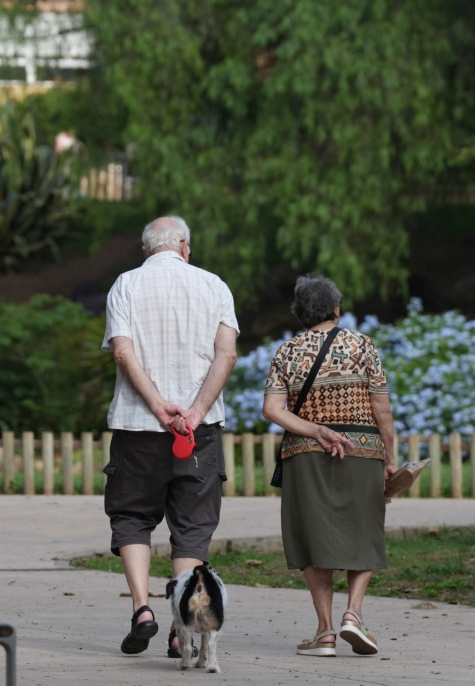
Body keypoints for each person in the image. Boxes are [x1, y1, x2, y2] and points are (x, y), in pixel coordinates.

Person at [101, 215, 239, 658]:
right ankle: (182, 626)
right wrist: (195, 411)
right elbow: (227, 353)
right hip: (198, 432)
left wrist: (159, 406)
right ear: (184, 247)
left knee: (132, 517)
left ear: (148, 250)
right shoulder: (215, 285)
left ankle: (142, 609)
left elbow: (122, 352)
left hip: (138, 428)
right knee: (192, 528)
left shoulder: (125, 284)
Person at [262, 274, 397, 658]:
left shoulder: (287, 351)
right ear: (337, 309)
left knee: (312, 537)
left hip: (304, 454)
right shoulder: (362, 345)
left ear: (301, 314)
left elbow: (272, 410)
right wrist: (389, 457)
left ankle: (324, 632)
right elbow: (381, 408)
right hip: (361, 448)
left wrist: (314, 429)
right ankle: (353, 615)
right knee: (364, 530)